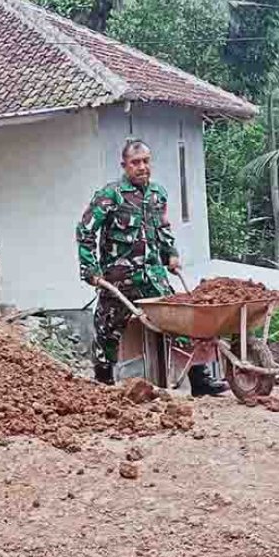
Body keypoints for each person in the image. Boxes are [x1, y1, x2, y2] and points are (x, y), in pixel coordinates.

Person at [76, 139, 226, 396]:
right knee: (106, 331)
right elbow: (85, 231)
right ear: (124, 166)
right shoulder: (110, 195)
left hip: (153, 277)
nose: (142, 167)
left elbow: (163, 229)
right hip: (119, 279)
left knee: (181, 321)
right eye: (135, 162)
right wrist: (90, 269)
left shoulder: (158, 195)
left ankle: (199, 379)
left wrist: (171, 254)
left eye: (146, 161)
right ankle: (103, 385)